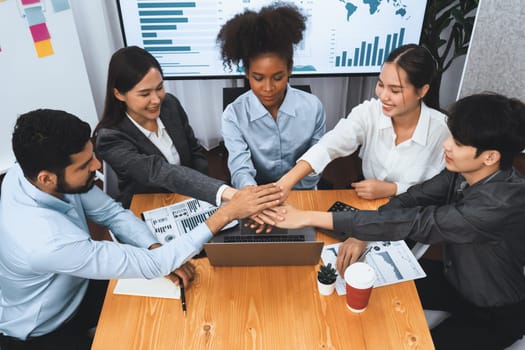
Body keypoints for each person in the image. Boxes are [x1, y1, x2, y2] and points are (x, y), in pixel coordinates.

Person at [0, 109, 282, 349]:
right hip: (48, 327)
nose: (98, 166)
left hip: (79, 285)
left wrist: (154, 247)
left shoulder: (28, 171)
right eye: (86, 165)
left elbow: (111, 213)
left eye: (93, 156)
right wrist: (226, 214)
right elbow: (152, 266)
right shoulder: (45, 242)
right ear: (47, 179)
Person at [268, 93, 525, 349]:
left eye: (457, 142)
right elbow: (411, 199)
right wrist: (362, 233)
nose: (446, 145)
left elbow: (417, 223)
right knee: (358, 284)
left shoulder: (497, 205)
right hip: (454, 280)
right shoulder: (463, 173)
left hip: (493, 313)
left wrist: (308, 216)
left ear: (490, 157)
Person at [278, 43, 450, 200]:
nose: (383, 96)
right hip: (371, 211)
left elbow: (443, 189)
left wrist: (394, 189)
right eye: (381, 85)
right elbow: (330, 144)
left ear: (422, 91)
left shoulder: (443, 131)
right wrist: (286, 182)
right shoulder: (370, 112)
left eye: (395, 90)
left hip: (416, 218)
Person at [94, 46, 234, 209]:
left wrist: (202, 199)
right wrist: (222, 191)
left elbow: (195, 153)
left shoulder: (170, 105)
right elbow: (157, 171)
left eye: (159, 88)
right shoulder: (109, 138)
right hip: (150, 207)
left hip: (192, 199)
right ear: (119, 94)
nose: (156, 100)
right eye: (145, 94)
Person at [217, 3, 326, 190]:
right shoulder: (233, 115)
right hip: (256, 196)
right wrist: (257, 199)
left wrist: (291, 193)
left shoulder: (313, 107)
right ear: (247, 73)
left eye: (277, 77)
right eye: (258, 78)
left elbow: (316, 161)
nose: (268, 88)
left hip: (301, 192)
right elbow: (240, 170)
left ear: (290, 68)